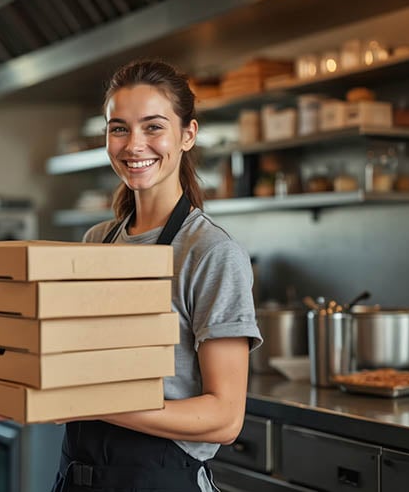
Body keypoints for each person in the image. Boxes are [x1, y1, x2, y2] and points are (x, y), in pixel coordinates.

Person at [50, 60, 263, 492]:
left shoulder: (210, 253)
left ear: (188, 134)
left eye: (153, 127)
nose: (134, 145)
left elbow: (225, 418)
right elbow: (73, 367)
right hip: (80, 478)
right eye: (119, 128)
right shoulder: (97, 242)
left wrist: (89, 401)